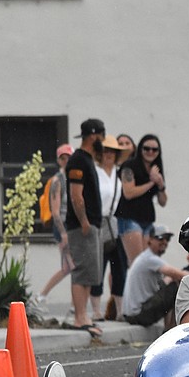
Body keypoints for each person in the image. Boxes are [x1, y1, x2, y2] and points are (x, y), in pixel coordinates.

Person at [65, 118, 106, 339]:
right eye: (101, 135)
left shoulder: (88, 159)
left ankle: (85, 317)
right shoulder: (78, 160)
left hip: (91, 226)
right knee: (82, 271)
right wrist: (83, 222)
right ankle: (80, 317)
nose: (102, 140)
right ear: (93, 136)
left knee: (91, 272)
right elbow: (75, 195)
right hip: (82, 226)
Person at [32, 144, 75, 314]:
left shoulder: (73, 178)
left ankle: (71, 304)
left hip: (71, 227)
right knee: (71, 268)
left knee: (70, 268)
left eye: (69, 158)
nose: (66, 161)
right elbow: (56, 212)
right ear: (59, 160)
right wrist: (63, 234)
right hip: (63, 228)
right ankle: (42, 296)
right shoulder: (58, 181)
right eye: (63, 158)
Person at [122, 223, 189, 329]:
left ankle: (169, 328)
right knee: (178, 287)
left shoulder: (148, 258)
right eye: (160, 238)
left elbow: (169, 278)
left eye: (167, 239)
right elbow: (178, 274)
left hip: (134, 313)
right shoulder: (149, 258)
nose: (164, 242)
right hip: (138, 314)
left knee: (172, 284)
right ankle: (171, 331)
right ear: (150, 239)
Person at [118, 133, 167, 268]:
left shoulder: (156, 169)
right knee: (137, 264)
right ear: (140, 149)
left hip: (147, 219)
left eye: (154, 149)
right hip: (129, 217)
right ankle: (131, 289)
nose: (150, 152)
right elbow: (129, 193)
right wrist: (152, 183)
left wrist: (161, 184)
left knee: (147, 264)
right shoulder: (129, 166)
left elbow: (163, 202)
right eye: (146, 148)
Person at [94, 135, 128, 320]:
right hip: (98, 222)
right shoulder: (96, 172)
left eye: (112, 152)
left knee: (119, 267)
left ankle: (120, 309)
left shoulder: (118, 173)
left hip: (113, 223)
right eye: (105, 151)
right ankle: (96, 309)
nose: (109, 155)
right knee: (98, 266)